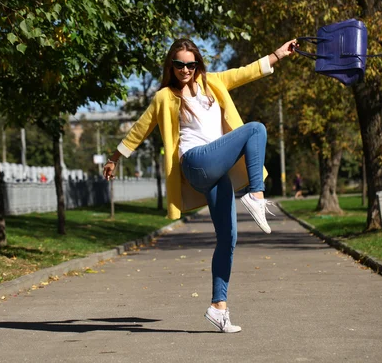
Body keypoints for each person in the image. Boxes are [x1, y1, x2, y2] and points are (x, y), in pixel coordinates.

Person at [103, 38, 298, 333]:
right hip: (194, 163)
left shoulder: (213, 83)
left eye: (190, 64)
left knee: (228, 238)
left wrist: (278, 55)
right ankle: (256, 194)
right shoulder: (165, 97)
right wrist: (114, 158)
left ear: (197, 64)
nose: (185, 70)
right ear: (172, 66)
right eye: (179, 64)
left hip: (216, 171)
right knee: (255, 129)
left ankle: (218, 308)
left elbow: (246, 72)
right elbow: (139, 130)